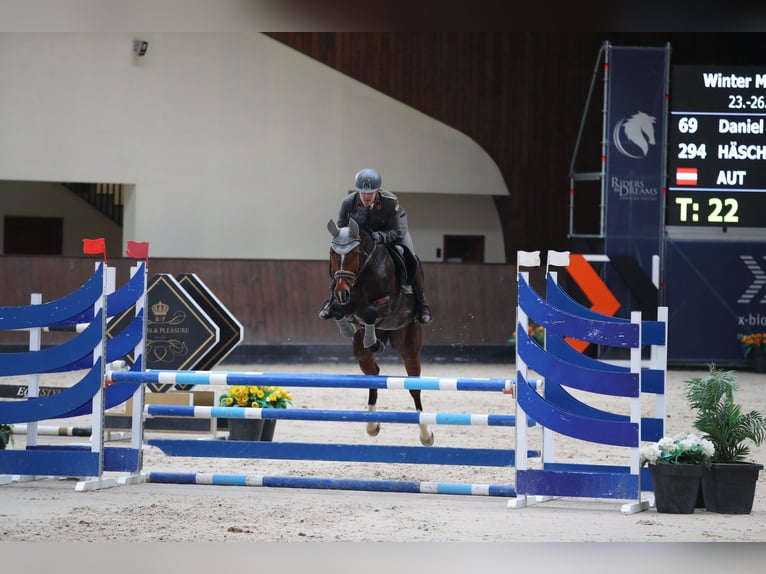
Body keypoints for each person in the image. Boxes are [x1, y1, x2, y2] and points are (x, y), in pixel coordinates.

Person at [319, 167, 432, 325]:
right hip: (365, 235)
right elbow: (342, 229)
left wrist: (381, 237)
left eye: (370, 193)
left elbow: (396, 230)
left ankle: (422, 304)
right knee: (342, 256)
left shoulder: (389, 201)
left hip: (393, 231)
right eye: (363, 192)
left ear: (377, 190)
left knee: (409, 256)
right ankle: (332, 300)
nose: (366, 196)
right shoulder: (348, 202)